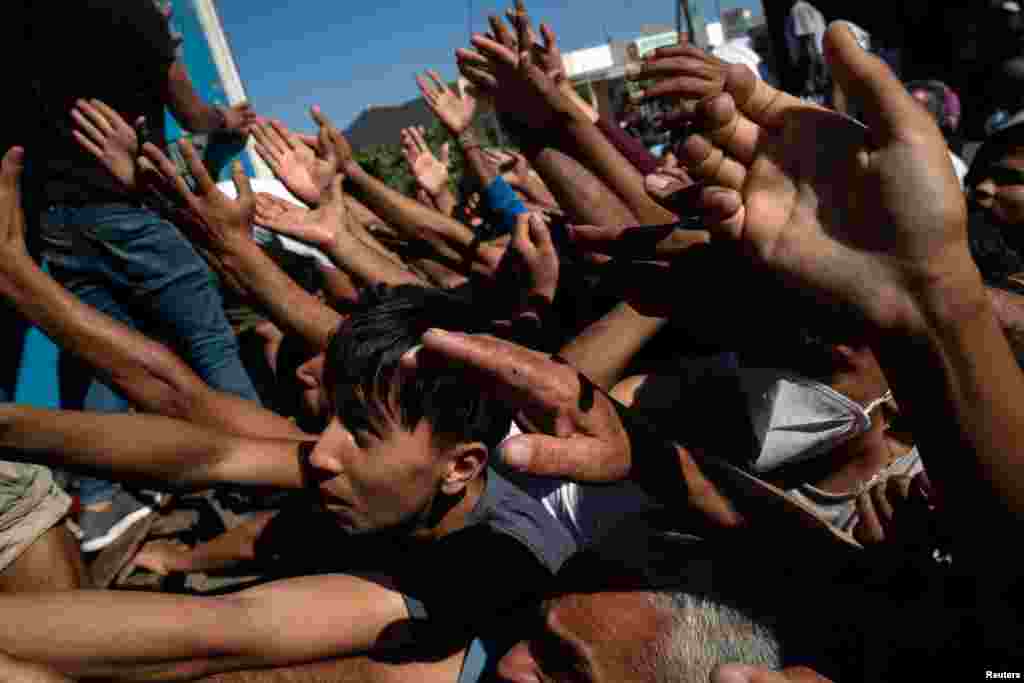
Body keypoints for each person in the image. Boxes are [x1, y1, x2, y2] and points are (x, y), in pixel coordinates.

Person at [21, 0, 260, 552]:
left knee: (107, 358)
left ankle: (100, 503)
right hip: (123, 204)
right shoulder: (137, 15)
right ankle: (261, 487)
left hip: (52, 219)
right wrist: (227, 121)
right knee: (210, 342)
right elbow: (195, 113)